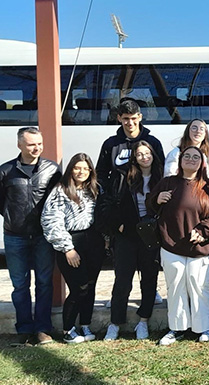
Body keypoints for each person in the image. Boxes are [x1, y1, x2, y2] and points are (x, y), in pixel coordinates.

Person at [148, 145, 209, 346]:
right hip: (171, 245)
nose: (190, 159)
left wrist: (204, 231)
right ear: (179, 161)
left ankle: (204, 328)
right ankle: (177, 328)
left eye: (195, 157)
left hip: (200, 248)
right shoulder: (167, 182)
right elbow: (150, 204)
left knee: (200, 286)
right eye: (186, 156)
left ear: (202, 163)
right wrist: (157, 198)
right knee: (175, 286)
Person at [0, 127, 61, 346]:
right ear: (19, 145)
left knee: (44, 283)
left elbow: (58, 200)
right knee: (20, 285)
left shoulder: (52, 169)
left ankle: (43, 329)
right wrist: (11, 217)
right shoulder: (6, 171)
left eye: (39, 144)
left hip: (43, 236)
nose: (37, 148)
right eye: (31, 144)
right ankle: (24, 329)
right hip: (15, 237)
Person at [41, 153, 104, 344]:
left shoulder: (93, 189)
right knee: (79, 287)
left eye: (86, 168)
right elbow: (51, 220)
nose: (81, 172)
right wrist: (67, 248)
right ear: (71, 169)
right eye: (77, 167)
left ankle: (85, 324)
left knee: (91, 285)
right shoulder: (60, 190)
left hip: (93, 241)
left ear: (91, 171)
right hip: (71, 241)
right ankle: (68, 330)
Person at [103, 140, 162, 341]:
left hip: (151, 235)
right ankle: (115, 323)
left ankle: (143, 321)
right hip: (127, 234)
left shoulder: (161, 176)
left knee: (149, 279)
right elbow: (108, 203)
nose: (144, 157)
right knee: (122, 281)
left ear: (153, 155)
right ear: (134, 158)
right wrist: (118, 225)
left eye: (148, 153)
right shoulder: (122, 176)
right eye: (140, 154)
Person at [96, 98, 164, 190]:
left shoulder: (153, 143)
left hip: (147, 197)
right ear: (119, 118)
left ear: (140, 117)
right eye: (126, 118)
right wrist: (109, 195)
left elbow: (161, 170)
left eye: (134, 118)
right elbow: (101, 173)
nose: (130, 123)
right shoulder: (110, 144)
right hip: (119, 201)